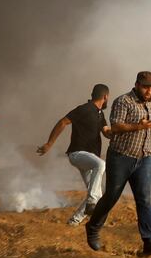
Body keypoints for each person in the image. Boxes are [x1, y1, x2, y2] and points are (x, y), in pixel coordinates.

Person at [85, 72, 151, 256]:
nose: (149, 90)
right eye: (146, 86)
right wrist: (139, 126)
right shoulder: (123, 101)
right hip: (121, 157)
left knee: (144, 199)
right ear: (137, 85)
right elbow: (117, 126)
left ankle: (149, 241)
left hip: (143, 159)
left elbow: (150, 128)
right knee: (112, 195)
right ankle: (93, 227)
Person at [37, 84, 111, 226]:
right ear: (105, 97)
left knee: (96, 194)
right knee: (101, 165)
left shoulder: (100, 114)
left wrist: (121, 132)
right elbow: (63, 121)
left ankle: (74, 222)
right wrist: (49, 144)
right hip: (77, 153)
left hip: (89, 159)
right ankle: (90, 203)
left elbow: (107, 132)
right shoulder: (84, 109)